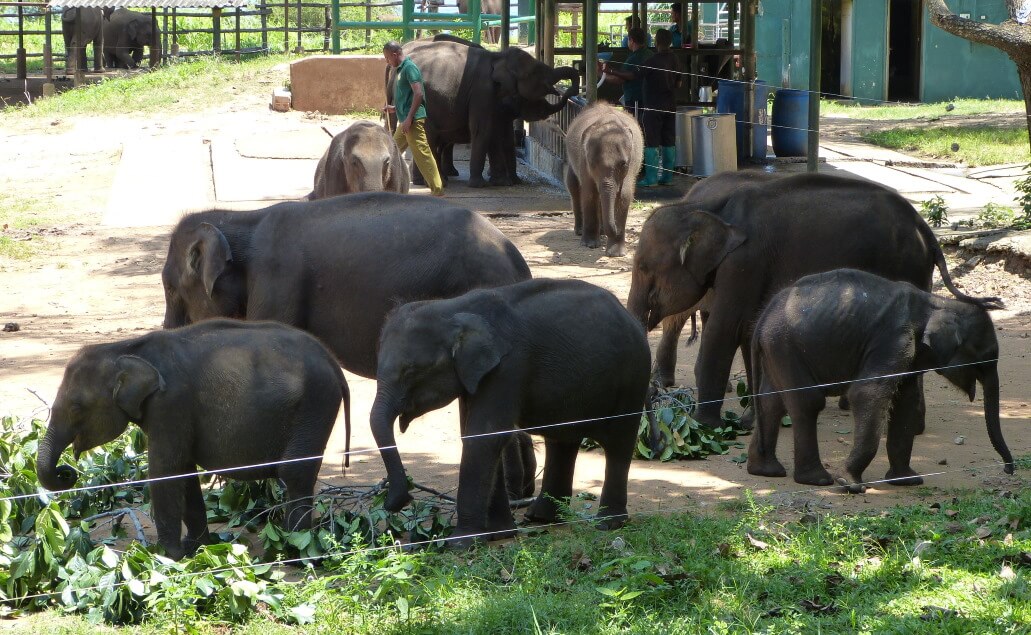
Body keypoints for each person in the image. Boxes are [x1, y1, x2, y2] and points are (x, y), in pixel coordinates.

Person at [382, 41, 444, 197]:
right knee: (392, 151)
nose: (387, 61)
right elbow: (408, 97)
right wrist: (395, 109)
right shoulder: (399, 70)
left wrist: (409, 118)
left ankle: (438, 190)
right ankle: (386, 187)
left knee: (422, 154)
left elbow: (418, 94)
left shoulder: (410, 68)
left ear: (395, 54)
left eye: (388, 58)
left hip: (413, 121)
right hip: (406, 121)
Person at [637, 28, 681, 187]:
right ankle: (667, 177)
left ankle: (651, 178)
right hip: (670, 105)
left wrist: (610, 71)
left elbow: (635, 75)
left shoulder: (652, 61)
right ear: (670, 42)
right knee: (669, 140)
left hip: (653, 106)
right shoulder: (674, 58)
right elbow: (679, 82)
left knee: (652, 141)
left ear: (656, 42)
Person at [601, 27, 653, 124]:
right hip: (649, 97)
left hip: (635, 99)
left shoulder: (633, 59)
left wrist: (601, 73)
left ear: (631, 40)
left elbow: (619, 79)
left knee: (634, 125)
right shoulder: (650, 54)